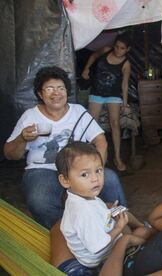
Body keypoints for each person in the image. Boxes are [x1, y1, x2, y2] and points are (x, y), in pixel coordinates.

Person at [3, 66, 127, 229]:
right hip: (43, 169)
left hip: (79, 169)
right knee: (39, 198)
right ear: (40, 94)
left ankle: (120, 227)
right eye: (49, 89)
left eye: (60, 88)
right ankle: (68, 233)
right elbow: (10, 154)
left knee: (110, 180)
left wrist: (97, 169)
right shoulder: (30, 116)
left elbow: (101, 141)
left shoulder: (78, 112)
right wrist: (22, 139)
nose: (56, 93)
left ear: (67, 91)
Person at [55, 142, 146, 273]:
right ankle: (145, 239)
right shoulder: (83, 211)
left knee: (119, 211)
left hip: (101, 237)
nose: (95, 179)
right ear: (65, 180)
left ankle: (141, 227)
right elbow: (97, 247)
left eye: (98, 171)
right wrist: (119, 227)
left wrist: (109, 212)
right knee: (136, 235)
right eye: (85, 175)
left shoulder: (81, 196)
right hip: (99, 257)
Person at [81, 33, 132, 172]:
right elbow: (92, 56)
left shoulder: (126, 64)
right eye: (117, 46)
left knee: (115, 124)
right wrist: (86, 68)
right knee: (92, 124)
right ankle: (95, 157)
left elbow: (125, 85)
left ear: (127, 49)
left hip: (113, 95)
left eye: (122, 48)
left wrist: (125, 104)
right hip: (97, 92)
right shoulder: (105, 50)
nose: (118, 50)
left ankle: (117, 157)